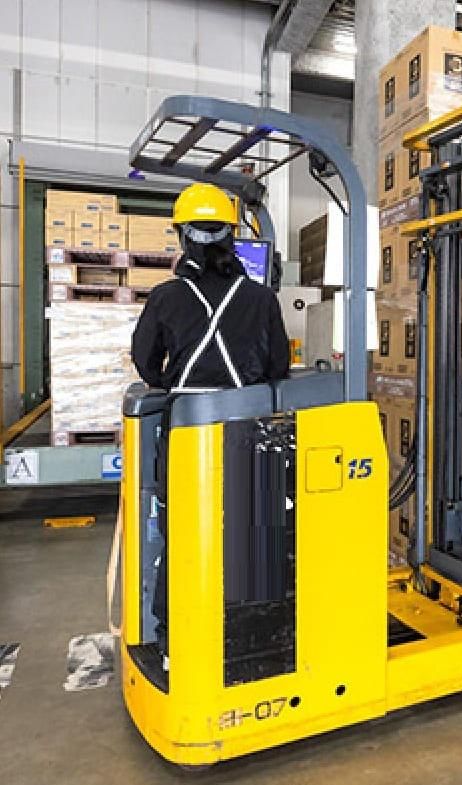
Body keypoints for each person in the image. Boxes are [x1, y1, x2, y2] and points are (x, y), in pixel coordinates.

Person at [131, 183, 290, 663]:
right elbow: (279, 367)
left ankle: (174, 643)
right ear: (231, 236)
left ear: (183, 237)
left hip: (187, 432)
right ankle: (249, 637)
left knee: (183, 536)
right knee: (252, 533)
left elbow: (145, 361)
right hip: (248, 432)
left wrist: (176, 384)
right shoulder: (260, 298)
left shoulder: (166, 297)